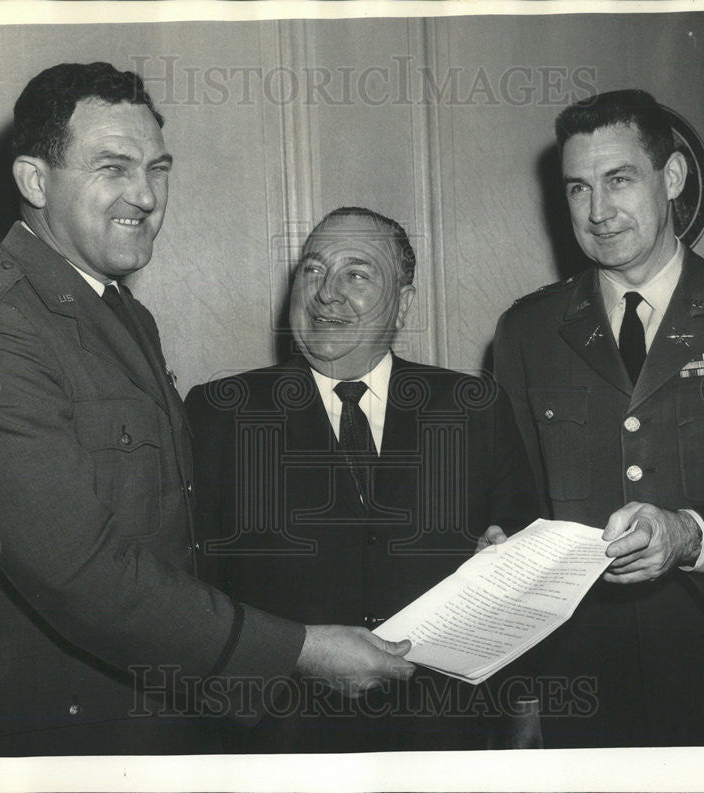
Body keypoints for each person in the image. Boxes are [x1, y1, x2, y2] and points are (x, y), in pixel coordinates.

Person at [0, 63, 414, 758]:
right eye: (114, 167)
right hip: (47, 747)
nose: (145, 195)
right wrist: (299, 650)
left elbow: (177, 525)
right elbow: (85, 574)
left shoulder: (118, 312)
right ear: (34, 180)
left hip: (146, 723)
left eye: (157, 168)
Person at [488, 88, 704, 747]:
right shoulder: (527, 331)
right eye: (577, 188)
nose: (597, 212)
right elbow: (515, 503)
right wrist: (497, 546)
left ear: (672, 176)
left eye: (618, 179)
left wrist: (691, 535)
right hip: (587, 698)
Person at [186, 207, 541, 752]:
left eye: (357, 274)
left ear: (403, 303)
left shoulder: (473, 407)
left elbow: (524, 557)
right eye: (312, 270)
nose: (327, 293)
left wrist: (506, 559)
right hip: (280, 746)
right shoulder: (220, 413)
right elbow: (194, 596)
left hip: (441, 740)